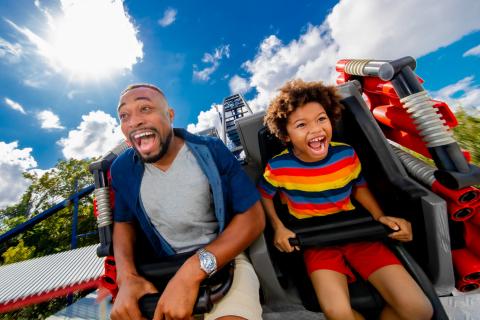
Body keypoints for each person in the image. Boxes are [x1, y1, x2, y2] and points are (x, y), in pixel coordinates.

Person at [258, 79, 433, 320]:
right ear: (286, 135)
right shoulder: (278, 167)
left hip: (357, 230)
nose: (317, 129)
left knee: (419, 310)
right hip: (315, 239)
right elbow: (265, 196)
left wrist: (379, 217)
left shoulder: (346, 154)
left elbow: (359, 187)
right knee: (338, 313)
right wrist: (279, 227)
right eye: (301, 125)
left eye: (322, 119)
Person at [109, 83, 265, 320]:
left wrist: (193, 271)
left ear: (169, 116)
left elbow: (253, 216)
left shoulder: (210, 150)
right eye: (124, 115)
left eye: (145, 108)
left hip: (225, 259)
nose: (134, 121)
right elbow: (124, 222)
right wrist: (126, 276)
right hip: (163, 268)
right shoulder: (122, 169)